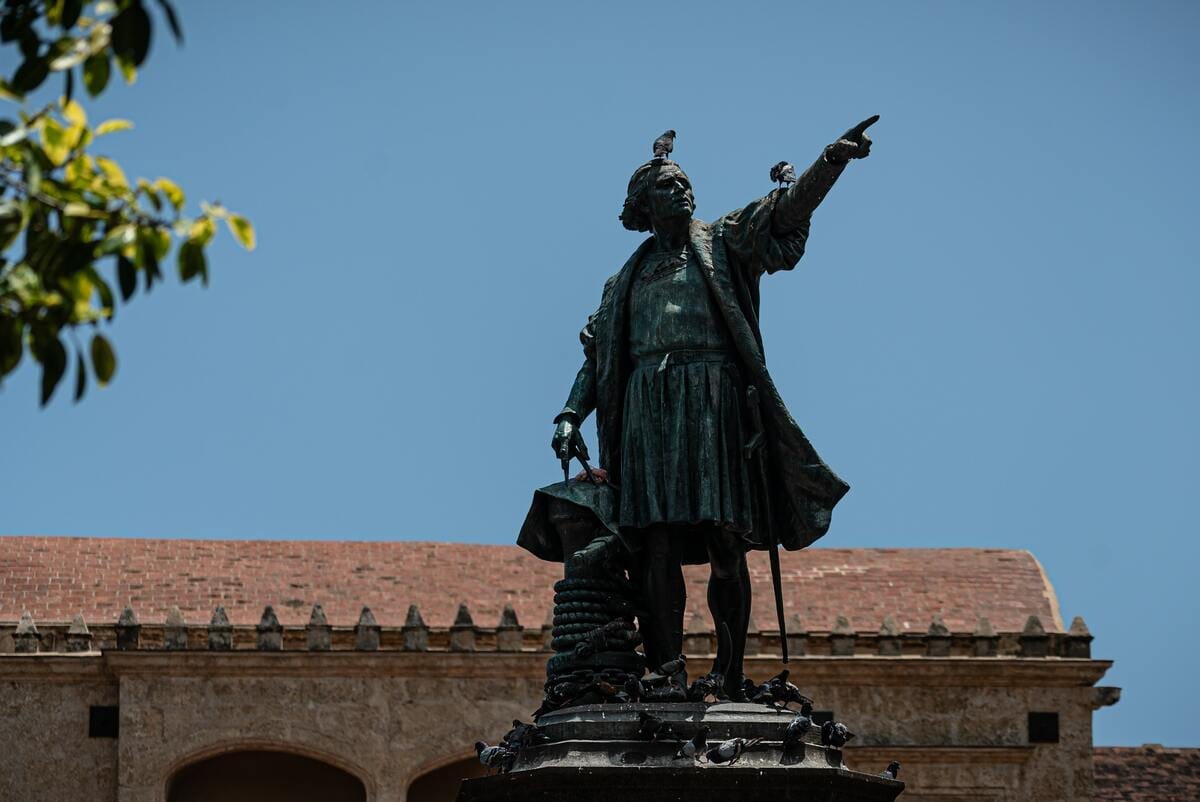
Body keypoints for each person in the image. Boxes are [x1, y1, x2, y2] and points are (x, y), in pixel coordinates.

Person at [552, 118, 876, 700]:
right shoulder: (624, 281)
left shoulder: (723, 242)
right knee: (655, 543)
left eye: (685, 182)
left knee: (727, 539)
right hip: (647, 411)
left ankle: (728, 671)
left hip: (714, 401)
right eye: (668, 185)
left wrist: (829, 163)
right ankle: (667, 669)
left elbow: (783, 212)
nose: (683, 189)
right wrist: (571, 413)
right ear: (643, 205)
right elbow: (599, 360)